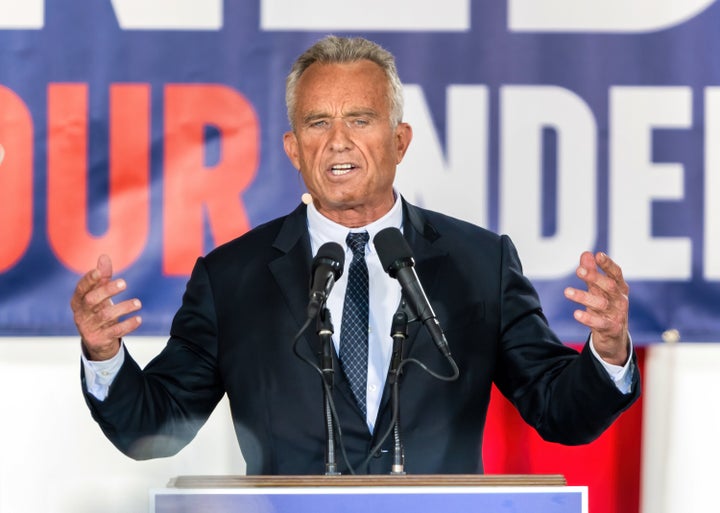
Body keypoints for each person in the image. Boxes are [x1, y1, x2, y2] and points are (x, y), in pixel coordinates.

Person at [72, 35, 639, 475]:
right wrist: (104, 355)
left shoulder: (479, 263)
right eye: (318, 123)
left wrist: (608, 351)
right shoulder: (232, 277)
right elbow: (155, 426)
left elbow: (562, 413)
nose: (338, 140)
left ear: (399, 140)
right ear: (294, 148)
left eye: (360, 120)